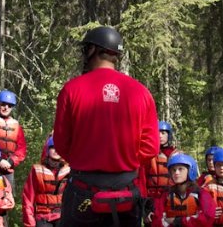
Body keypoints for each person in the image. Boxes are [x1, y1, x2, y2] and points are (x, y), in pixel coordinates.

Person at [53, 26, 159, 227]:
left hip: (84, 192)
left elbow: (61, 143)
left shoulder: (71, 89)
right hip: (126, 192)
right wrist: (122, 162)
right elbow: (151, 147)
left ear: (92, 50)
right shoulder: (141, 92)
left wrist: (86, 159)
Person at [151, 154, 216, 227]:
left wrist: (177, 221)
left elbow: (207, 219)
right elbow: (156, 220)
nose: (176, 173)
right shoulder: (166, 195)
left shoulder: (201, 194)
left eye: (180, 169)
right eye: (173, 170)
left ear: (190, 171)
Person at [22, 136, 71, 227]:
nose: (56, 150)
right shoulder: (37, 170)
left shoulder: (69, 170)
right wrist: (29, 223)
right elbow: (28, 198)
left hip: (63, 217)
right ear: (47, 150)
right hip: (43, 217)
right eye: (53, 147)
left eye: (58, 147)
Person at [144, 121, 177, 199]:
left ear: (169, 135)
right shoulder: (149, 154)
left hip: (169, 196)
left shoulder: (175, 154)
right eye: (157, 133)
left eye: (163, 133)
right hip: (151, 196)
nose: (160, 136)